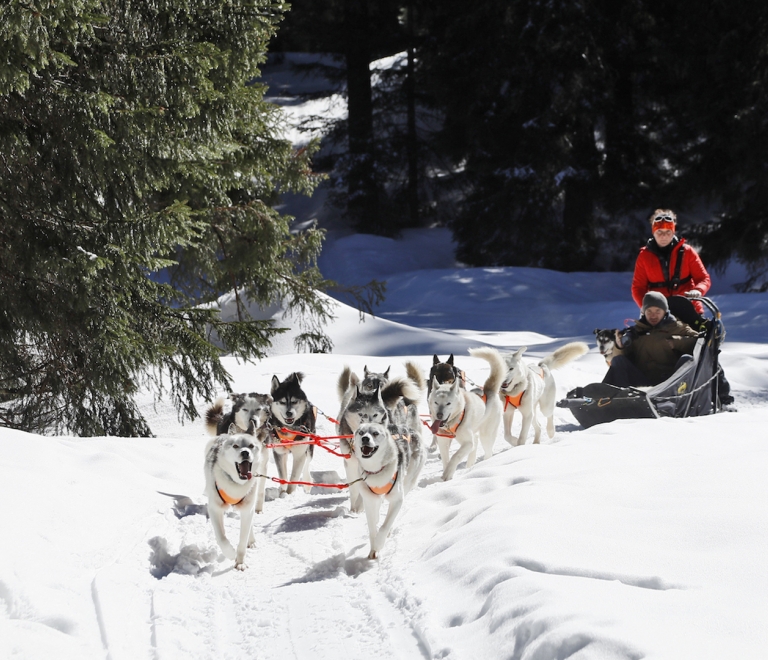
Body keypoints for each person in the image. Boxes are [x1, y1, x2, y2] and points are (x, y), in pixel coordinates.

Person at [602, 292, 699, 388]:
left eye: (657, 311)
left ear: (665, 311)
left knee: (687, 359)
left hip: (671, 383)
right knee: (618, 360)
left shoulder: (677, 327)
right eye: (649, 311)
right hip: (642, 382)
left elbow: (698, 341)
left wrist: (677, 342)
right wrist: (619, 346)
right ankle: (609, 397)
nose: (653, 316)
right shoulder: (635, 331)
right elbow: (615, 360)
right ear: (643, 312)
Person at [631, 209, 710, 316]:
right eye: (660, 232)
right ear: (653, 232)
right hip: (658, 314)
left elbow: (704, 279)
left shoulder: (687, 252)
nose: (664, 236)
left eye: (668, 232)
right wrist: (647, 308)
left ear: (673, 232)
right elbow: (638, 287)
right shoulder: (644, 256)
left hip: (689, 309)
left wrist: (698, 290)